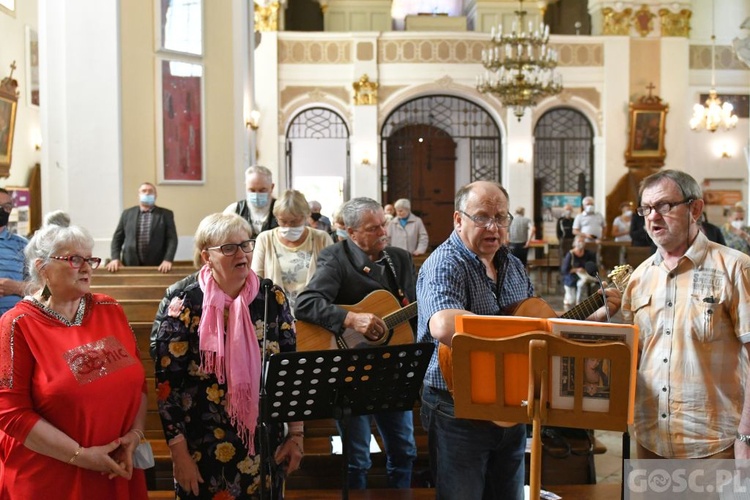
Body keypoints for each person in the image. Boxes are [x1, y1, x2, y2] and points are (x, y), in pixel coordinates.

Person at [417, 181, 619, 500]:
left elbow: (542, 322)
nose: (493, 227)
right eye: (482, 217)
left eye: (501, 217)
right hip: (458, 405)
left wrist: (594, 316)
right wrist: (519, 337)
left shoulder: (510, 263)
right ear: (458, 220)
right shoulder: (445, 263)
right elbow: (443, 325)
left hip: (511, 399)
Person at [150, 213, 302, 498]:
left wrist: (296, 435)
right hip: (201, 445)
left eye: (246, 245)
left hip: (264, 443)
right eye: (229, 248)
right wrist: (178, 455)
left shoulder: (272, 298)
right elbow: (167, 387)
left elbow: (290, 373)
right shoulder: (183, 302)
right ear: (206, 255)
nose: (242, 254)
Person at [0, 223, 148, 498]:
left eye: (90, 259)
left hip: (116, 465)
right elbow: (11, 414)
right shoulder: (18, 324)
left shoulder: (110, 309)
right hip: (51, 475)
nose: (87, 267)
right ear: (42, 268)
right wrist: (80, 456)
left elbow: (138, 384)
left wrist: (134, 437)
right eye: (74, 259)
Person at [622, 169, 750, 460]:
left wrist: (747, 435)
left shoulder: (736, 268)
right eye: (646, 209)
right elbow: (632, 356)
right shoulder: (639, 277)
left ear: (695, 208)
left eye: (665, 206)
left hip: (715, 441)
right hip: (649, 437)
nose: (653, 217)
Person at [295, 197, 417, 490]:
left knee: (405, 451)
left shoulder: (399, 258)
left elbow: (412, 310)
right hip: (350, 370)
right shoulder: (336, 258)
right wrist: (351, 320)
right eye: (373, 228)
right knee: (358, 456)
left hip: (392, 368)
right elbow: (306, 304)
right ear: (351, 233)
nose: (383, 232)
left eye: (383, 225)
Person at [252, 190, 333, 311]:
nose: (288, 226)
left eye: (295, 222)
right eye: (283, 221)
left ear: (306, 216)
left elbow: (333, 277)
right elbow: (255, 278)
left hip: (316, 313)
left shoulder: (321, 238)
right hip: (276, 315)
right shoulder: (265, 239)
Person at [106, 182, 178, 273]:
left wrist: (168, 260)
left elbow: (172, 239)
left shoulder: (166, 214)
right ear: (139, 195)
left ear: (155, 195)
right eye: (144, 191)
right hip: (129, 265)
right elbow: (117, 238)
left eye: (150, 191)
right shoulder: (127, 214)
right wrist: (115, 258)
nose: (147, 193)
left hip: (158, 266)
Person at [223, 165, 279, 238]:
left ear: (272, 187)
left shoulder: (282, 209)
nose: (256, 194)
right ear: (246, 187)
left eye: (262, 190)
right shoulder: (234, 210)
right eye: (252, 190)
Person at [0, 189, 27, 316]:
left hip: (12, 325)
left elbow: (46, 291)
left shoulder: (23, 245)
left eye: (6, 206)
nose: (2, 210)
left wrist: (17, 287)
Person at [560, 234, 599, 308]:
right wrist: (576, 270)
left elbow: (593, 266)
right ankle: (569, 298)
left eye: (582, 241)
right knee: (570, 301)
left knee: (583, 284)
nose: (581, 243)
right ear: (575, 243)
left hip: (585, 276)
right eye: (579, 241)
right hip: (572, 277)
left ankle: (581, 301)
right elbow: (564, 270)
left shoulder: (589, 254)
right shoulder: (570, 254)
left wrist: (585, 270)